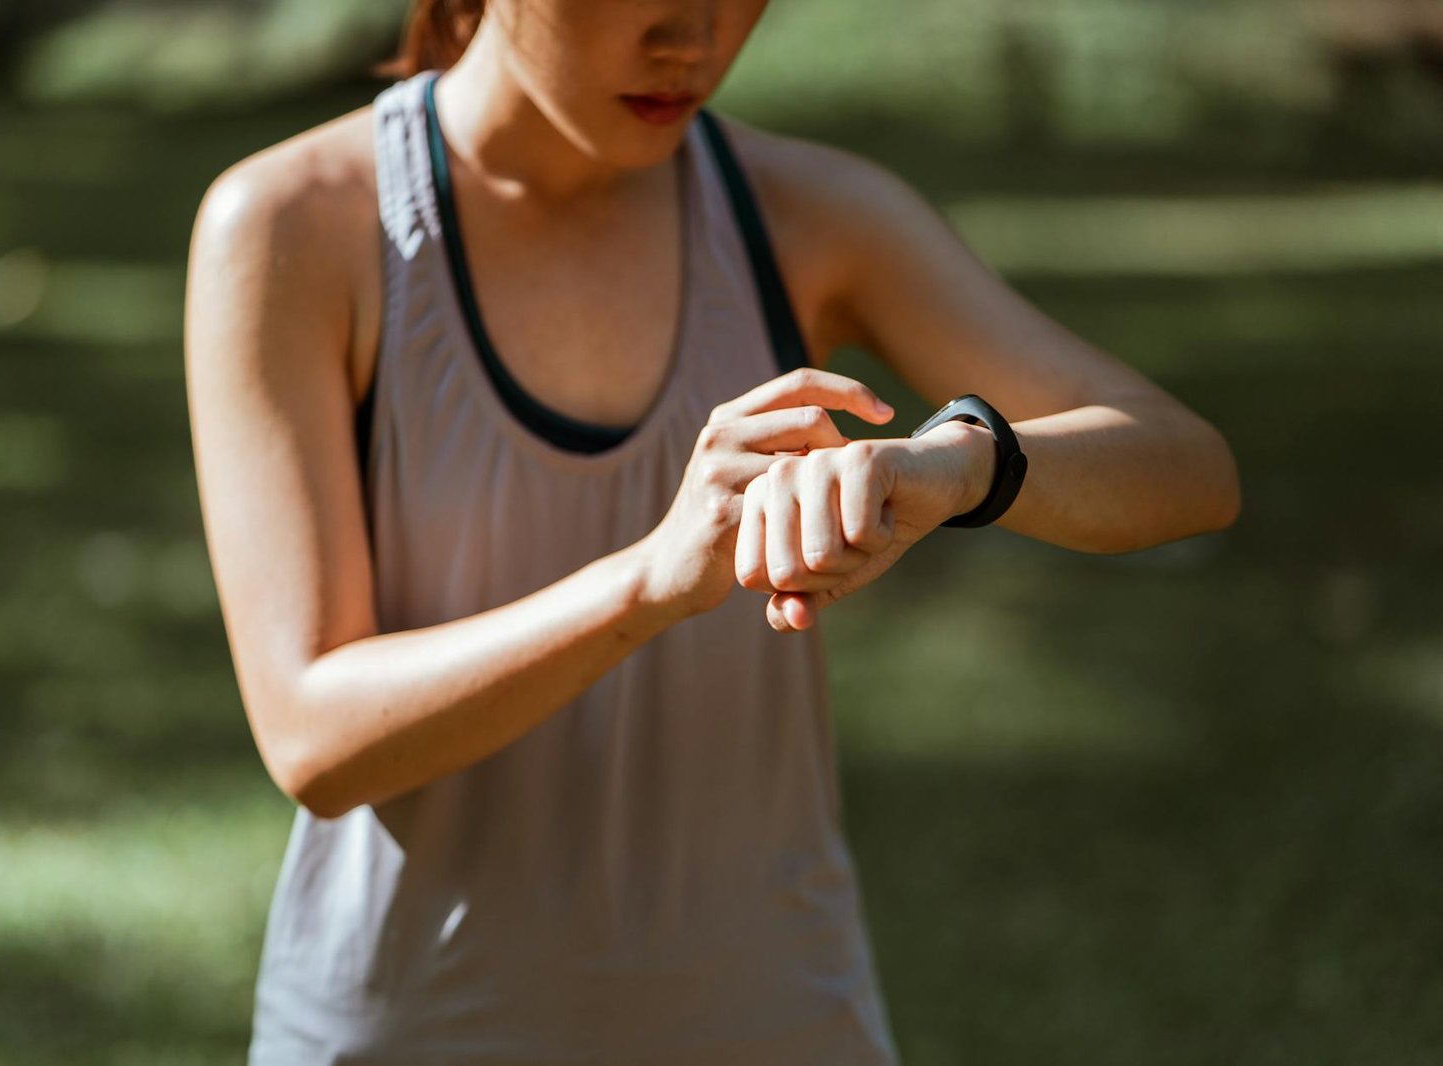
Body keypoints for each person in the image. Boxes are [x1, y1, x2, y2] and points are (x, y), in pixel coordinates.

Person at [183, 0, 1242, 1061]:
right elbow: (313, 737)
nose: (692, 37)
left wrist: (963, 461)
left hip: (777, 1022)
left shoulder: (808, 214)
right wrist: (650, 578)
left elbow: (1186, 467)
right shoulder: (296, 225)